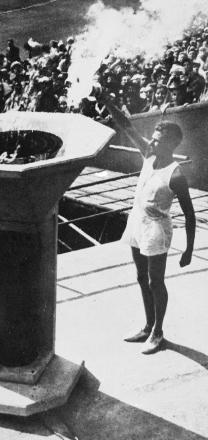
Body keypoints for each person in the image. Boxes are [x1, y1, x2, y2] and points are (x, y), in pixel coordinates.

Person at [107, 103, 195, 355]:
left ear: (170, 145)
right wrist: (105, 99)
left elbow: (190, 215)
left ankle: (158, 332)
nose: (152, 143)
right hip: (137, 223)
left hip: (157, 229)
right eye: (153, 139)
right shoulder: (149, 155)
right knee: (141, 278)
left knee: (156, 281)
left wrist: (188, 249)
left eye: (157, 141)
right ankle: (147, 326)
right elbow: (126, 125)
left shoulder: (175, 175)